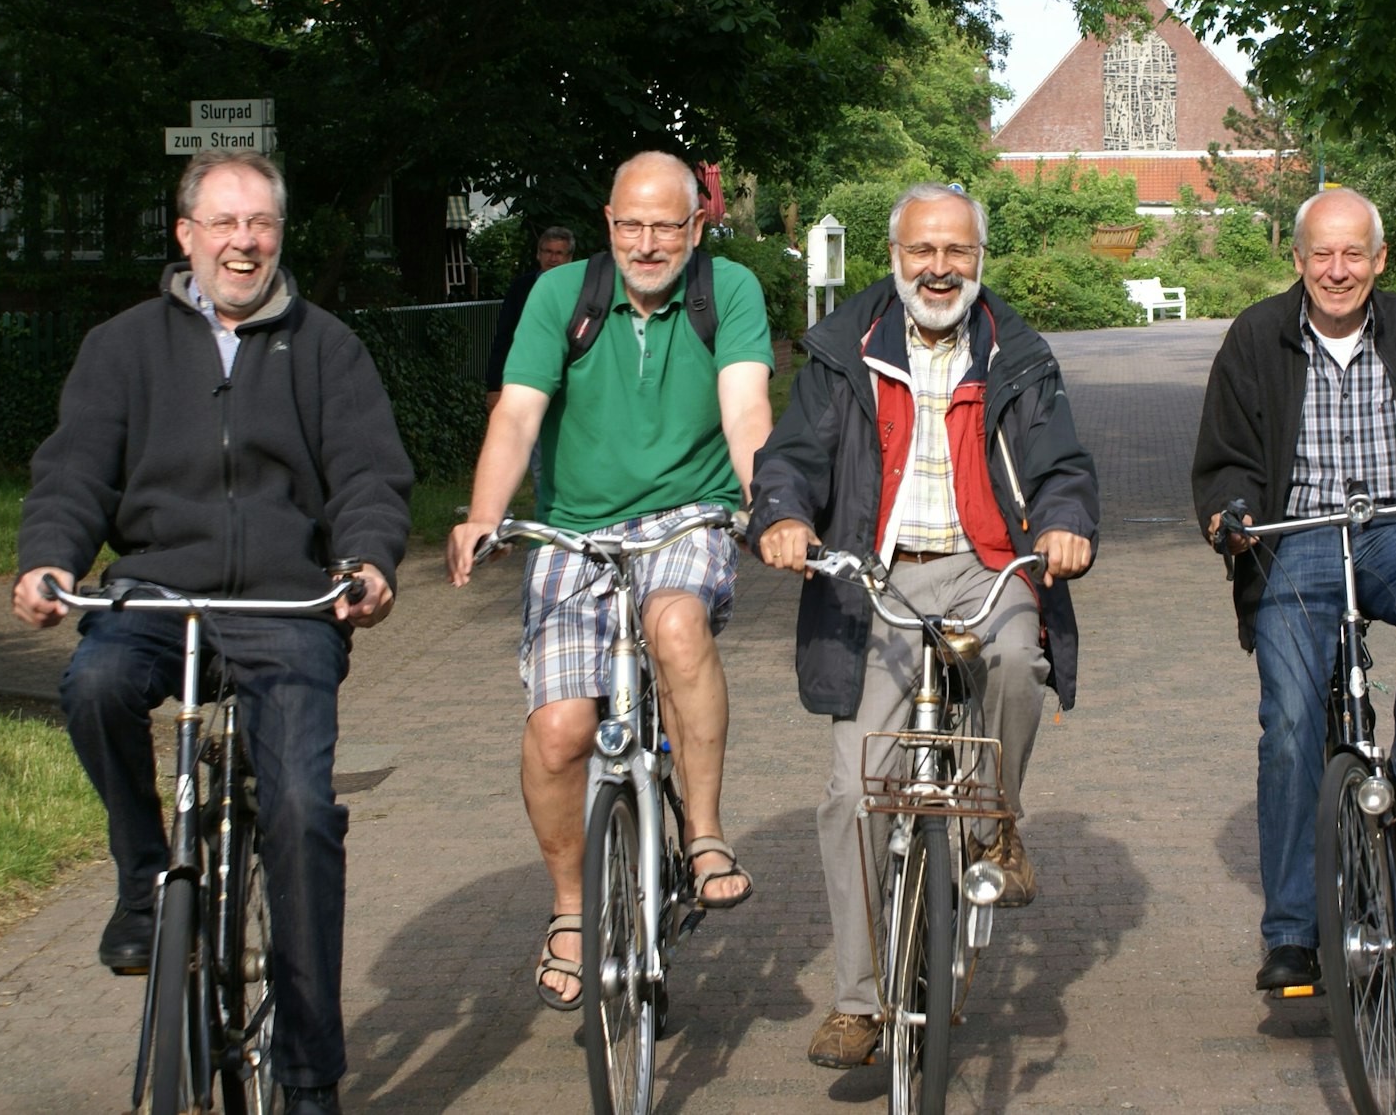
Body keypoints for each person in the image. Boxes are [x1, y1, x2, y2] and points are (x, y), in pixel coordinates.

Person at [12, 148, 412, 1115]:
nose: (244, 241)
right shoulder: (122, 346)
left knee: (305, 819)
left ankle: (311, 1074)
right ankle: (147, 873)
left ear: (279, 233)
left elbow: (367, 472)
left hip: (284, 609)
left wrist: (367, 562)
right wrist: (49, 557)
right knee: (95, 684)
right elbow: (75, 472)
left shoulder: (326, 347)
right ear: (186, 234)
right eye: (225, 223)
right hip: (155, 594)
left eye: (261, 223)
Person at [748, 182, 1099, 1068]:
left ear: (980, 259)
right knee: (853, 786)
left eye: (958, 252)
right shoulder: (843, 350)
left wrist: (1066, 522)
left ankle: (995, 822)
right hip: (878, 576)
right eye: (922, 252)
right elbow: (791, 454)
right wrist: (785, 514)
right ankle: (859, 1002)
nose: (939, 268)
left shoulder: (1015, 351)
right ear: (894, 257)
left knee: (1020, 660)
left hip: (988, 564)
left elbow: (1059, 460)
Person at [445, 150, 773, 1012]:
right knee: (559, 730)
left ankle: (701, 832)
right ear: (609, 222)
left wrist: (767, 503)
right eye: (631, 224)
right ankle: (568, 909)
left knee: (674, 624)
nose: (648, 242)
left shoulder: (727, 291)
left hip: (688, 517)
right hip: (573, 529)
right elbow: (517, 411)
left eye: (667, 224)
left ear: (696, 226)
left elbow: (745, 407)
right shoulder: (563, 297)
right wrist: (485, 514)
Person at [1191, 187, 1396, 994]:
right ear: (1297, 259)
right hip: (1295, 538)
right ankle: (1293, 935)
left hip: (1394, 527)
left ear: (1379, 260)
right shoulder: (1254, 337)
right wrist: (1228, 513)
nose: (1337, 271)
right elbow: (1225, 456)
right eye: (1321, 254)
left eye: (1353, 255)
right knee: (1291, 726)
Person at [485, 226, 576, 412]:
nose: (553, 258)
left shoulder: (582, 290)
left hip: (570, 386)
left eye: (559, 253)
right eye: (548, 252)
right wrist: (494, 386)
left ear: (569, 258)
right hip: (526, 379)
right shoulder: (520, 288)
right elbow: (504, 336)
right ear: (538, 254)